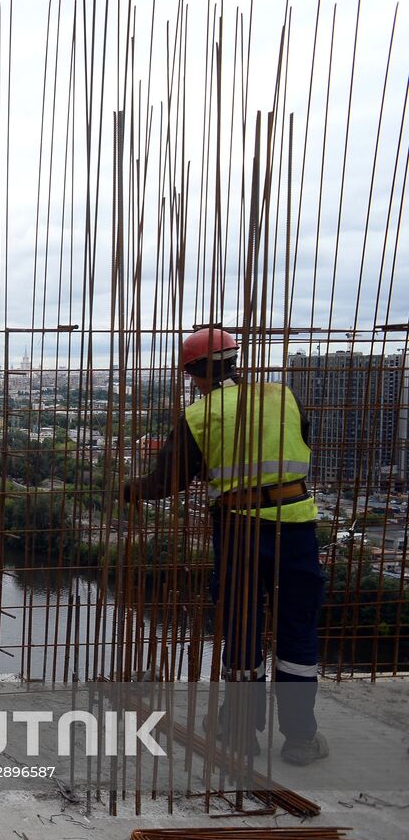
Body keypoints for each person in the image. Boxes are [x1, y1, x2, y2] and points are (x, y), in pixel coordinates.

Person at [121, 328, 327, 766]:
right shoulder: (282, 395)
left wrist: (128, 491)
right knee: (297, 633)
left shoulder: (200, 415)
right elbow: (304, 444)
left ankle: (239, 731)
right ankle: (300, 739)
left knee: (242, 631)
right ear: (234, 361)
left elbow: (168, 482)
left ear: (192, 373)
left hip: (240, 531)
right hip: (297, 526)